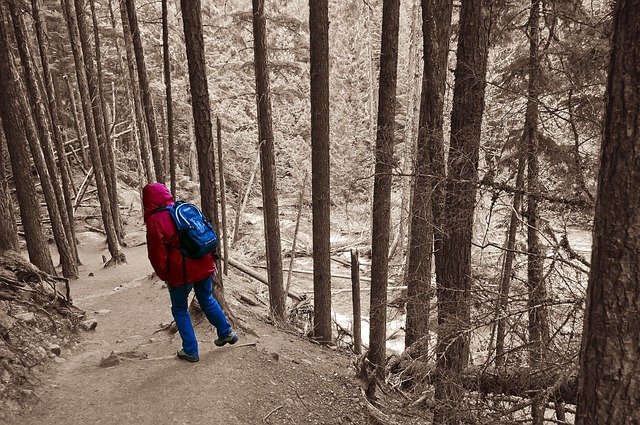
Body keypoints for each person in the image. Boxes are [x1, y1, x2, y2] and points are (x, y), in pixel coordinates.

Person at [143, 182, 237, 362]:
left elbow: (157, 255)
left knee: (179, 309)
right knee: (207, 299)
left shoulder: (155, 221)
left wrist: (165, 275)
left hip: (181, 273)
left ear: (147, 200)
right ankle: (226, 333)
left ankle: (191, 350)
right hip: (204, 263)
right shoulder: (181, 208)